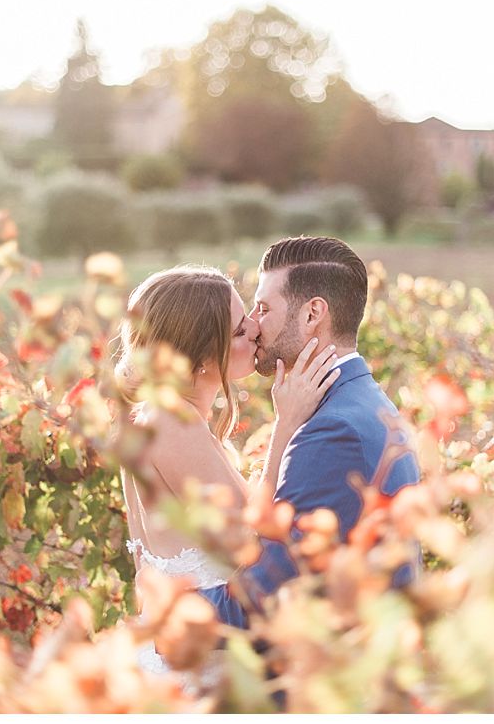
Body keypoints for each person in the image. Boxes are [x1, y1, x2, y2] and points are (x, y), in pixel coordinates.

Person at [111, 263, 335, 692]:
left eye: (247, 315)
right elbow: (251, 543)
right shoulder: (171, 423)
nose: (253, 329)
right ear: (195, 358)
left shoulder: (164, 419)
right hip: (194, 680)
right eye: (237, 331)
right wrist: (287, 423)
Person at [203, 236, 423, 625]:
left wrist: (166, 615)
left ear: (311, 315)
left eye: (264, 307)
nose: (252, 323)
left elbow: (266, 595)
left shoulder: (334, 431)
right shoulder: (365, 402)